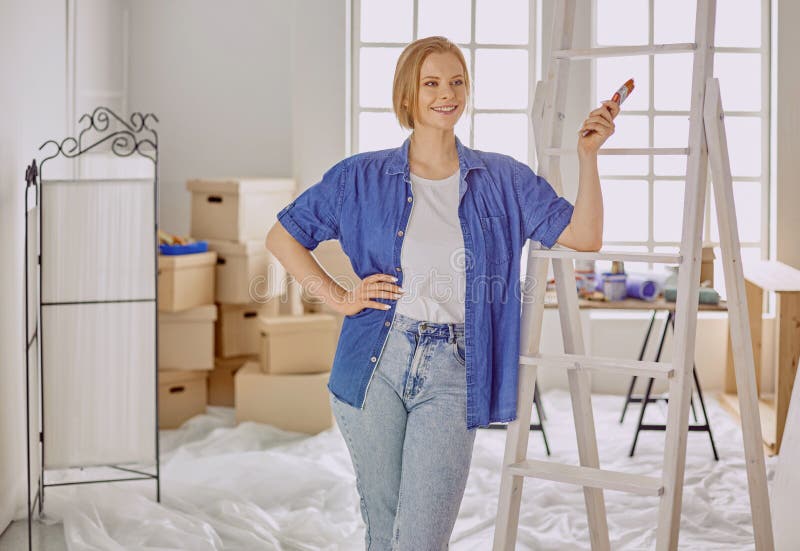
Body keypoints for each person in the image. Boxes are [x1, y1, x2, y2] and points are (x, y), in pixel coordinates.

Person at [266, 35, 617, 551]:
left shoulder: (502, 178)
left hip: (455, 368)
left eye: (456, 82)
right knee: (383, 528)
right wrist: (341, 297)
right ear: (408, 96)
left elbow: (584, 237)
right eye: (431, 83)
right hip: (375, 363)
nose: (446, 93)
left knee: (424, 538)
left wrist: (589, 155)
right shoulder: (360, 176)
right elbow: (282, 237)